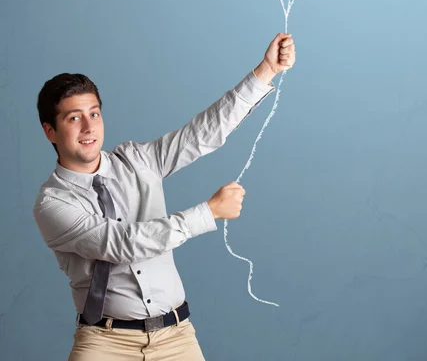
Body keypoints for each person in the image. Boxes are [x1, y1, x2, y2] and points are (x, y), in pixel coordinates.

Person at [33, 33, 296, 361]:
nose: (89, 127)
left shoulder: (138, 160)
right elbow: (122, 244)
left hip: (176, 338)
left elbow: (202, 133)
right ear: (50, 131)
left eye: (95, 113)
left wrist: (266, 71)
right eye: (74, 118)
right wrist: (207, 212)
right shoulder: (53, 204)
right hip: (104, 342)